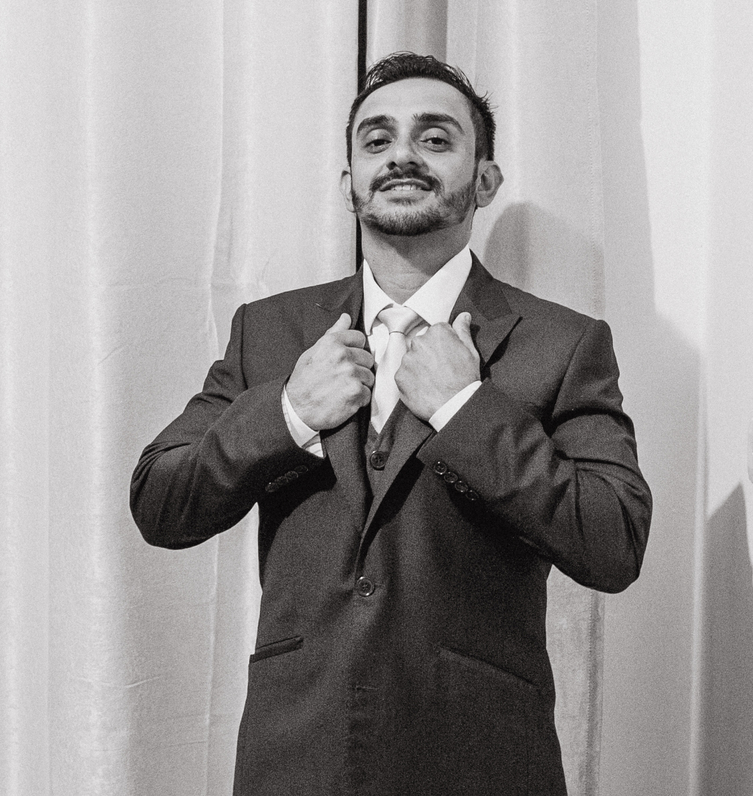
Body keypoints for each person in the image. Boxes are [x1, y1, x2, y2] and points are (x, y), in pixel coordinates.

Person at [131, 52, 651, 796]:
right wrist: (288, 413)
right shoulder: (269, 333)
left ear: (485, 180)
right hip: (297, 757)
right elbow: (160, 502)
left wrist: (465, 411)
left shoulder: (562, 344)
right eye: (377, 140)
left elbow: (614, 541)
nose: (402, 155)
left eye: (435, 138)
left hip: (478, 762)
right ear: (350, 183)